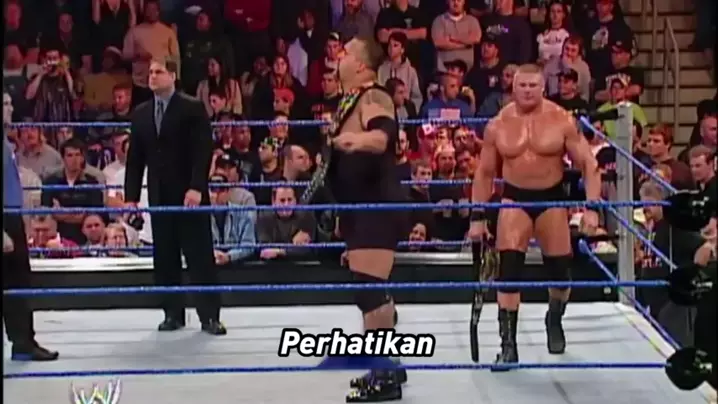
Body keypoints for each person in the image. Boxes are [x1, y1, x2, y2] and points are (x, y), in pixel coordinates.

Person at [469, 64, 601, 369]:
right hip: (514, 199)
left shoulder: (561, 119)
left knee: (560, 273)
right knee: (508, 272)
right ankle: (508, 347)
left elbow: (588, 164)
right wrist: (477, 216)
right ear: (513, 87)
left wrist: (593, 208)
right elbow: (484, 173)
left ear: (543, 87)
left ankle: (554, 317)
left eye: (533, 85)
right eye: (522, 85)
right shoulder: (498, 124)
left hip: (551, 199)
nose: (527, 90)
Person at [313, 37, 407, 402]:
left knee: (369, 290)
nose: (339, 56)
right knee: (369, 288)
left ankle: (384, 375)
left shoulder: (374, 96)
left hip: (376, 205)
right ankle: (389, 363)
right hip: (358, 208)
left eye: (347, 52)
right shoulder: (350, 100)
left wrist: (355, 140)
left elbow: (383, 136)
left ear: (363, 66)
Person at [124, 57, 226, 335]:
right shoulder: (142, 113)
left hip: (189, 194)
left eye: (158, 72)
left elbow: (203, 151)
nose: (152, 76)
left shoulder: (191, 107)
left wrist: (197, 187)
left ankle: (210, 316)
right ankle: (172, 313)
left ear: (172, 76)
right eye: (150, 72)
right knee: (165, 256)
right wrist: (131, 198)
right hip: (159, 195)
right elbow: (135, 159)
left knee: (199, 255)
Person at [3, 92, 59, 361]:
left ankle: (23, 342)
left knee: (18, 283)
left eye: (10, 103)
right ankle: (23, 342)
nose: (10, 108)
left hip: (12, 217)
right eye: (4, 104)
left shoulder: (6, 142)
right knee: (15, 282)